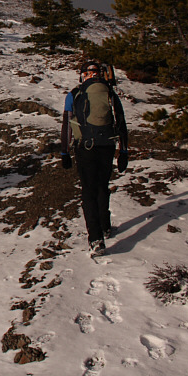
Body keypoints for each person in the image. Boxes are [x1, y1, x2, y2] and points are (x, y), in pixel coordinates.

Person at [61, 61, 128, 257]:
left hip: (85, 147)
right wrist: (123, 152)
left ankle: (96, 239)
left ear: (82, 75)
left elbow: (67, 123)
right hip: (107, 145)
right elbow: (121, 122)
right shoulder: (110, 93)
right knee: (102, 185)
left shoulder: (75, 94)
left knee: (88, 190)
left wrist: (65, 152)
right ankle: (105, 226)